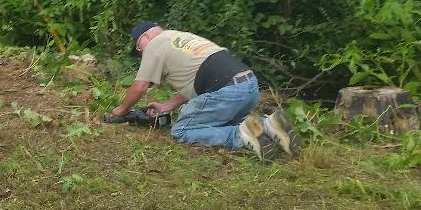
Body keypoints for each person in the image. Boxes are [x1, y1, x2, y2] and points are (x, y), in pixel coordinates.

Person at [106, 21, 301, 161]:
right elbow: (195, 80)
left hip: (227, 91)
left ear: (146, 37)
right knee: (219, 124)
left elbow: (139, 87)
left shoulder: (154, 45)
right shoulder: (184, 39)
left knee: (182, 130)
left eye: (138, 48)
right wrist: (166, 106)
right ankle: (268, 125)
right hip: (248, 86)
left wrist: (121, 111)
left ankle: (243, 136)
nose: (140, 53)